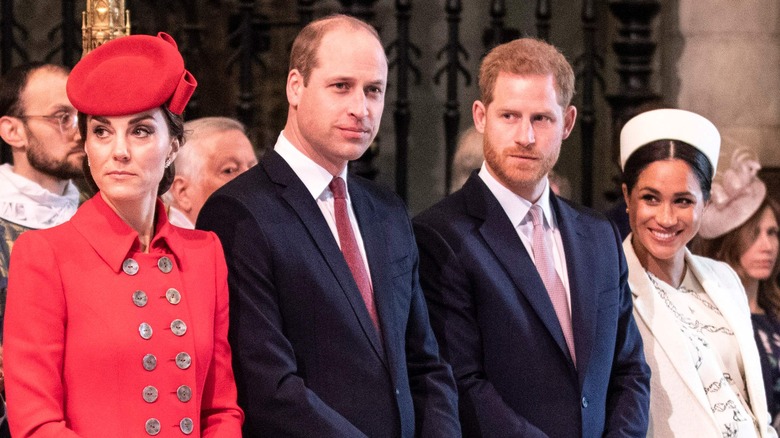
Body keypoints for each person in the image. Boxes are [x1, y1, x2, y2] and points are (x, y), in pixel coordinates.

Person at [197, 14, 460, 437]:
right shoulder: (238, 212)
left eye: (374, 90)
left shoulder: (388, 211)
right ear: (295, 86)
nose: (361, 108)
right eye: (342, 86)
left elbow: (426, 364)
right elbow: (269, 386)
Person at [4, 33, 244, 437]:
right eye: (101, 132)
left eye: (141, 131)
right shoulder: (44, 255)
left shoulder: (205, 253)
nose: (119, 151)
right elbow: (36, 422)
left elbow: (220, 409)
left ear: (173, 147)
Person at [413, 37, 650, 437]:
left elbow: (629, 369)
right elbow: (461, 382)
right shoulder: (439, 236)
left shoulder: (598, 235)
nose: (525, 136)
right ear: (481, 116)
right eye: (509, 116)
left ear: (568, 122)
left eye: (541, 118)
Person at [619, 109, 775, 437]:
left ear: (705, 204)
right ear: (627, 198)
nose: (666, 217)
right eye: (650, 198)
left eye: (683, 201)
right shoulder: (608, 286)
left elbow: (749, 398)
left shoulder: (725, 278)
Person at [695, 148, 780, 431]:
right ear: (730, 239)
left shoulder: (775, 315)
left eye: (772, 232)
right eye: (754, 234)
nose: (767, 246)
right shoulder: (710, 318)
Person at [0, 63, 82, 337]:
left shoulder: (102, 211)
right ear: (13, 132)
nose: (80, 133)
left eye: (83, 118)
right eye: (62, 117)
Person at [164, 116, 257, 229]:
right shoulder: (168, 245)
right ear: (182, 192)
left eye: (254, 168)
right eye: (229, 170)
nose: (251, 181)